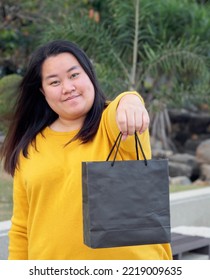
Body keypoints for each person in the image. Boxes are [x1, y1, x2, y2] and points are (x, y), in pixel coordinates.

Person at [1, 40, 172, 260]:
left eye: (74, 75)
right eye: (54, 82)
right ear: (42, 91)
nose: (68, 88)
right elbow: (22, 229)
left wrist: (131, 100)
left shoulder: (112, 126)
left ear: (89, 75)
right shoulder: (29, 147)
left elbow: (123, 106)